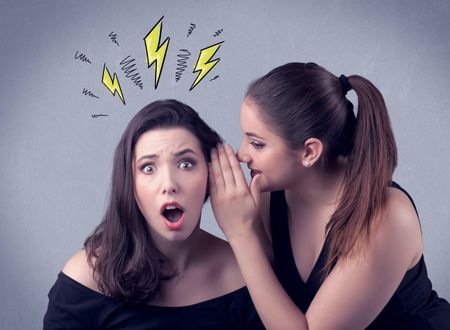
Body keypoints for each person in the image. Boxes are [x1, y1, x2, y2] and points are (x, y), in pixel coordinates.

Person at [209, 62, 450, 329]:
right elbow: (273, 294)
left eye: (257, 143)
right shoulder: (271, 193)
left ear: (310, 152)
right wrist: (251, 227)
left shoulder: (387, 217)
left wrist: (241, 234)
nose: (242, 155)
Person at [43, 99, 264, 329]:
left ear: (212, 174)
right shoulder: (86, 278)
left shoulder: (246, 275)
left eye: (186, 164)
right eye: (148, 168)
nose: (169, 184)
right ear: (130, 184)